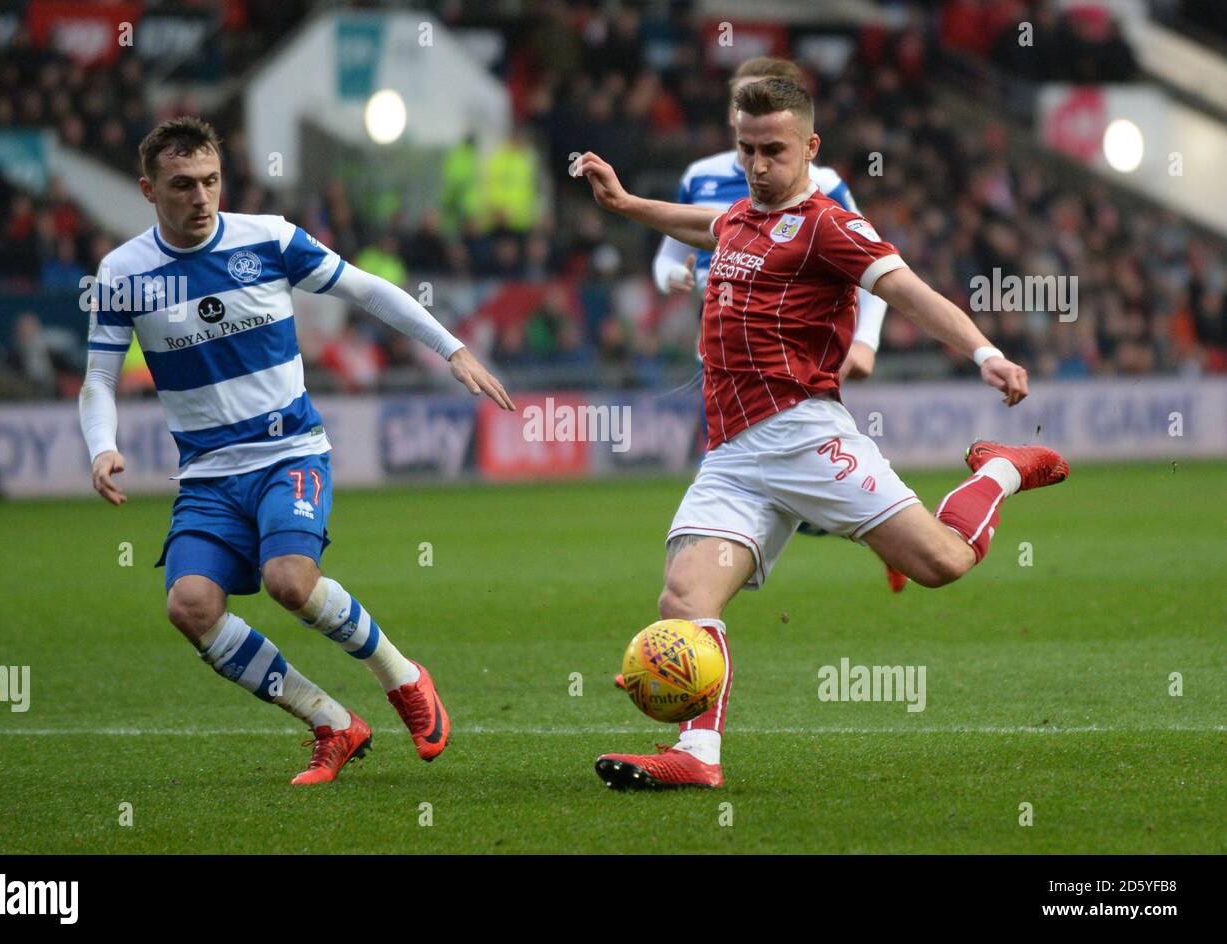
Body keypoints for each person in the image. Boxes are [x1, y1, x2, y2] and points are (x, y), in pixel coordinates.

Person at [578, 78, 1067, 790]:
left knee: (943, 564)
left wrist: (986, 354)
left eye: (773, 149)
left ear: (810, 147)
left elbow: (909, 293)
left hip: (805, 437)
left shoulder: (828, 227)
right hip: (732, 455)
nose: (756, 164)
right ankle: (699, 757)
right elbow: (700, 223)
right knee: (683, 603)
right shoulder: (741, 219)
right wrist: (625, 206)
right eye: (745, 149)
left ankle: (1000, 470)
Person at [79, 117, 514, 785]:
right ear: (147, 190)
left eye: (211, 181)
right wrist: (102, 446)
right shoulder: (123, 274)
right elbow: (100, 379)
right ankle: (331, 723)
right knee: (189, 607)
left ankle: (402, 678)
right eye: (182, 185)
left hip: (290, 454)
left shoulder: (270, 239)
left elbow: (365, 288)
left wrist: (450, 348)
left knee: (290, 582)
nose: (200, 197)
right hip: (207, 477)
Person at [653, 56, 908, 596]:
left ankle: (891, 533)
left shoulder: (825, 186)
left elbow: (875, 264)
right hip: (721, 349)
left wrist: (866, 340)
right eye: (744, 104)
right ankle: (713, 583)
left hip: (789, 355)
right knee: (753, 473)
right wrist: (673, 276)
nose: (758, 156)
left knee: (783, 470)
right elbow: (669, 252)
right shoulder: (701, 176)